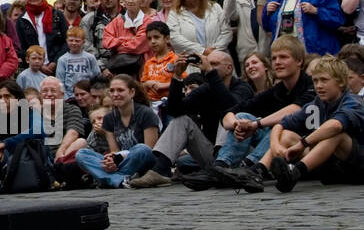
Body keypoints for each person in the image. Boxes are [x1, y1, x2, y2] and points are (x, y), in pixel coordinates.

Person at [201, 36, 315, 191]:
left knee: (280, 126)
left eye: (283, 57)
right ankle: (220, 167)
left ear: (299, 61)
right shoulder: (278, 90)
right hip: (280, 149)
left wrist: (257, 124)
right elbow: (231, 111)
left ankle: (250, 168)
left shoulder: (311, 84)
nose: (277, 62)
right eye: (274, 58)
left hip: (305, 148)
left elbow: (296, 110)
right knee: (242, 116)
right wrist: (238, 124)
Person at [129, 50, 243, 188]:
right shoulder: (206, 90)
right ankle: (160, 170)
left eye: (214, 64)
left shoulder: (241, 87)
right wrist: (177, 76)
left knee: (229, 116)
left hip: (236, 155)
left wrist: (210, 73)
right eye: (207, 63)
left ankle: (221, 167)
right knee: (181, 121)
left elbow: (231, 105)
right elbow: (175, 110)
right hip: (211, 154)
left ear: (229, 68)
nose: (208, 67)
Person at [265, 57, 364, 192]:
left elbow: (335, 126)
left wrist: (302, 144)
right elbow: (281, 124)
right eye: (315, 81)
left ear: (341, 82)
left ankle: (294, 172)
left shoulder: (354, 102)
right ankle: (257, 171)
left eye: (324, 80)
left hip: (358, 167)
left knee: (334, 134)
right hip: (332, 167)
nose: (318, 86)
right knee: (287, 135)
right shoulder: (316, 104)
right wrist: (275, 145)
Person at [73, 74, 160, 188]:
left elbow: (150, 150)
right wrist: (111, 161)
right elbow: (115, 151)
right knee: (81, 154)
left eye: (120, 90)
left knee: (142, 148)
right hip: (121, 163)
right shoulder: (109, 118)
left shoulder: (146, 114)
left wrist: (117, 159)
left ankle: (111, 179)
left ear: (131, 92)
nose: (115, 94)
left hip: (142, 161)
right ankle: (121, 180)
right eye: (112, 91)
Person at [167, 0, 231, 62]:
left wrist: (215, 51)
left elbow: (226, 32)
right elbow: (174, 37)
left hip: (218, 60)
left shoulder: (215, 8)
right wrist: (202, 51)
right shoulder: (175, 12)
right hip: (191, 63)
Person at [14, 0, 69, 73]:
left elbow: (66, 41)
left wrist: (55, 62)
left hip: (57, 67)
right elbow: (20, 47)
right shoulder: (22, 20)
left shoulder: (57, 15)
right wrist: (38, 64)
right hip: (33, 69)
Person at [101, 0, 156, 69]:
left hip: (143, 68)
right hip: (121, 68)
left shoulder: (148, 22)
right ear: (124, 1)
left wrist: (116, 45)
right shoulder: (116, 21)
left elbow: (137, 47)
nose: (130, 1)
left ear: (141, 1)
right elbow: (106, 42)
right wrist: (125, 40)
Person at [82, 0, 123, 71]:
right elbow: (86, 46)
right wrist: (102, 68)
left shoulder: (129, 16)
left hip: (126, 64)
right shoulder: (89, 20)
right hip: (99, 69)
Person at [55, 26, 100, 98]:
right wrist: (66, 98)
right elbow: (60, 82)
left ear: (83, 42)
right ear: (67, 41)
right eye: (71, 40)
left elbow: (97, 77)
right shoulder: (62, 60)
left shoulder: (90, 58)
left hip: (88, 95)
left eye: (77, 41)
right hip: (69, 97)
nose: (74, 43)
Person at [140, 22, 178, 101]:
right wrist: (147, 84)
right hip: (151, 102)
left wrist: (163, 85)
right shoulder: (149, 63)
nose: (152, 41)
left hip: (170, 102)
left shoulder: (175, 59)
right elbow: (142, 84)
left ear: (167, 39)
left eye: (156, 37)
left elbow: (182, 81)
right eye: (149, 39)